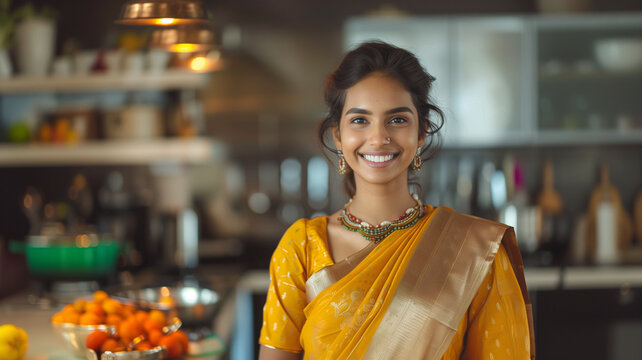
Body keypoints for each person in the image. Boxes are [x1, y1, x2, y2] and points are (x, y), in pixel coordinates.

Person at [258, 41, 534, 360]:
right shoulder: (302, 247)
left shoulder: (474, 249)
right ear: (337, 135)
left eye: (397, 119)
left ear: (421, 133)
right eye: (360, 120)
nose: (378, 138)